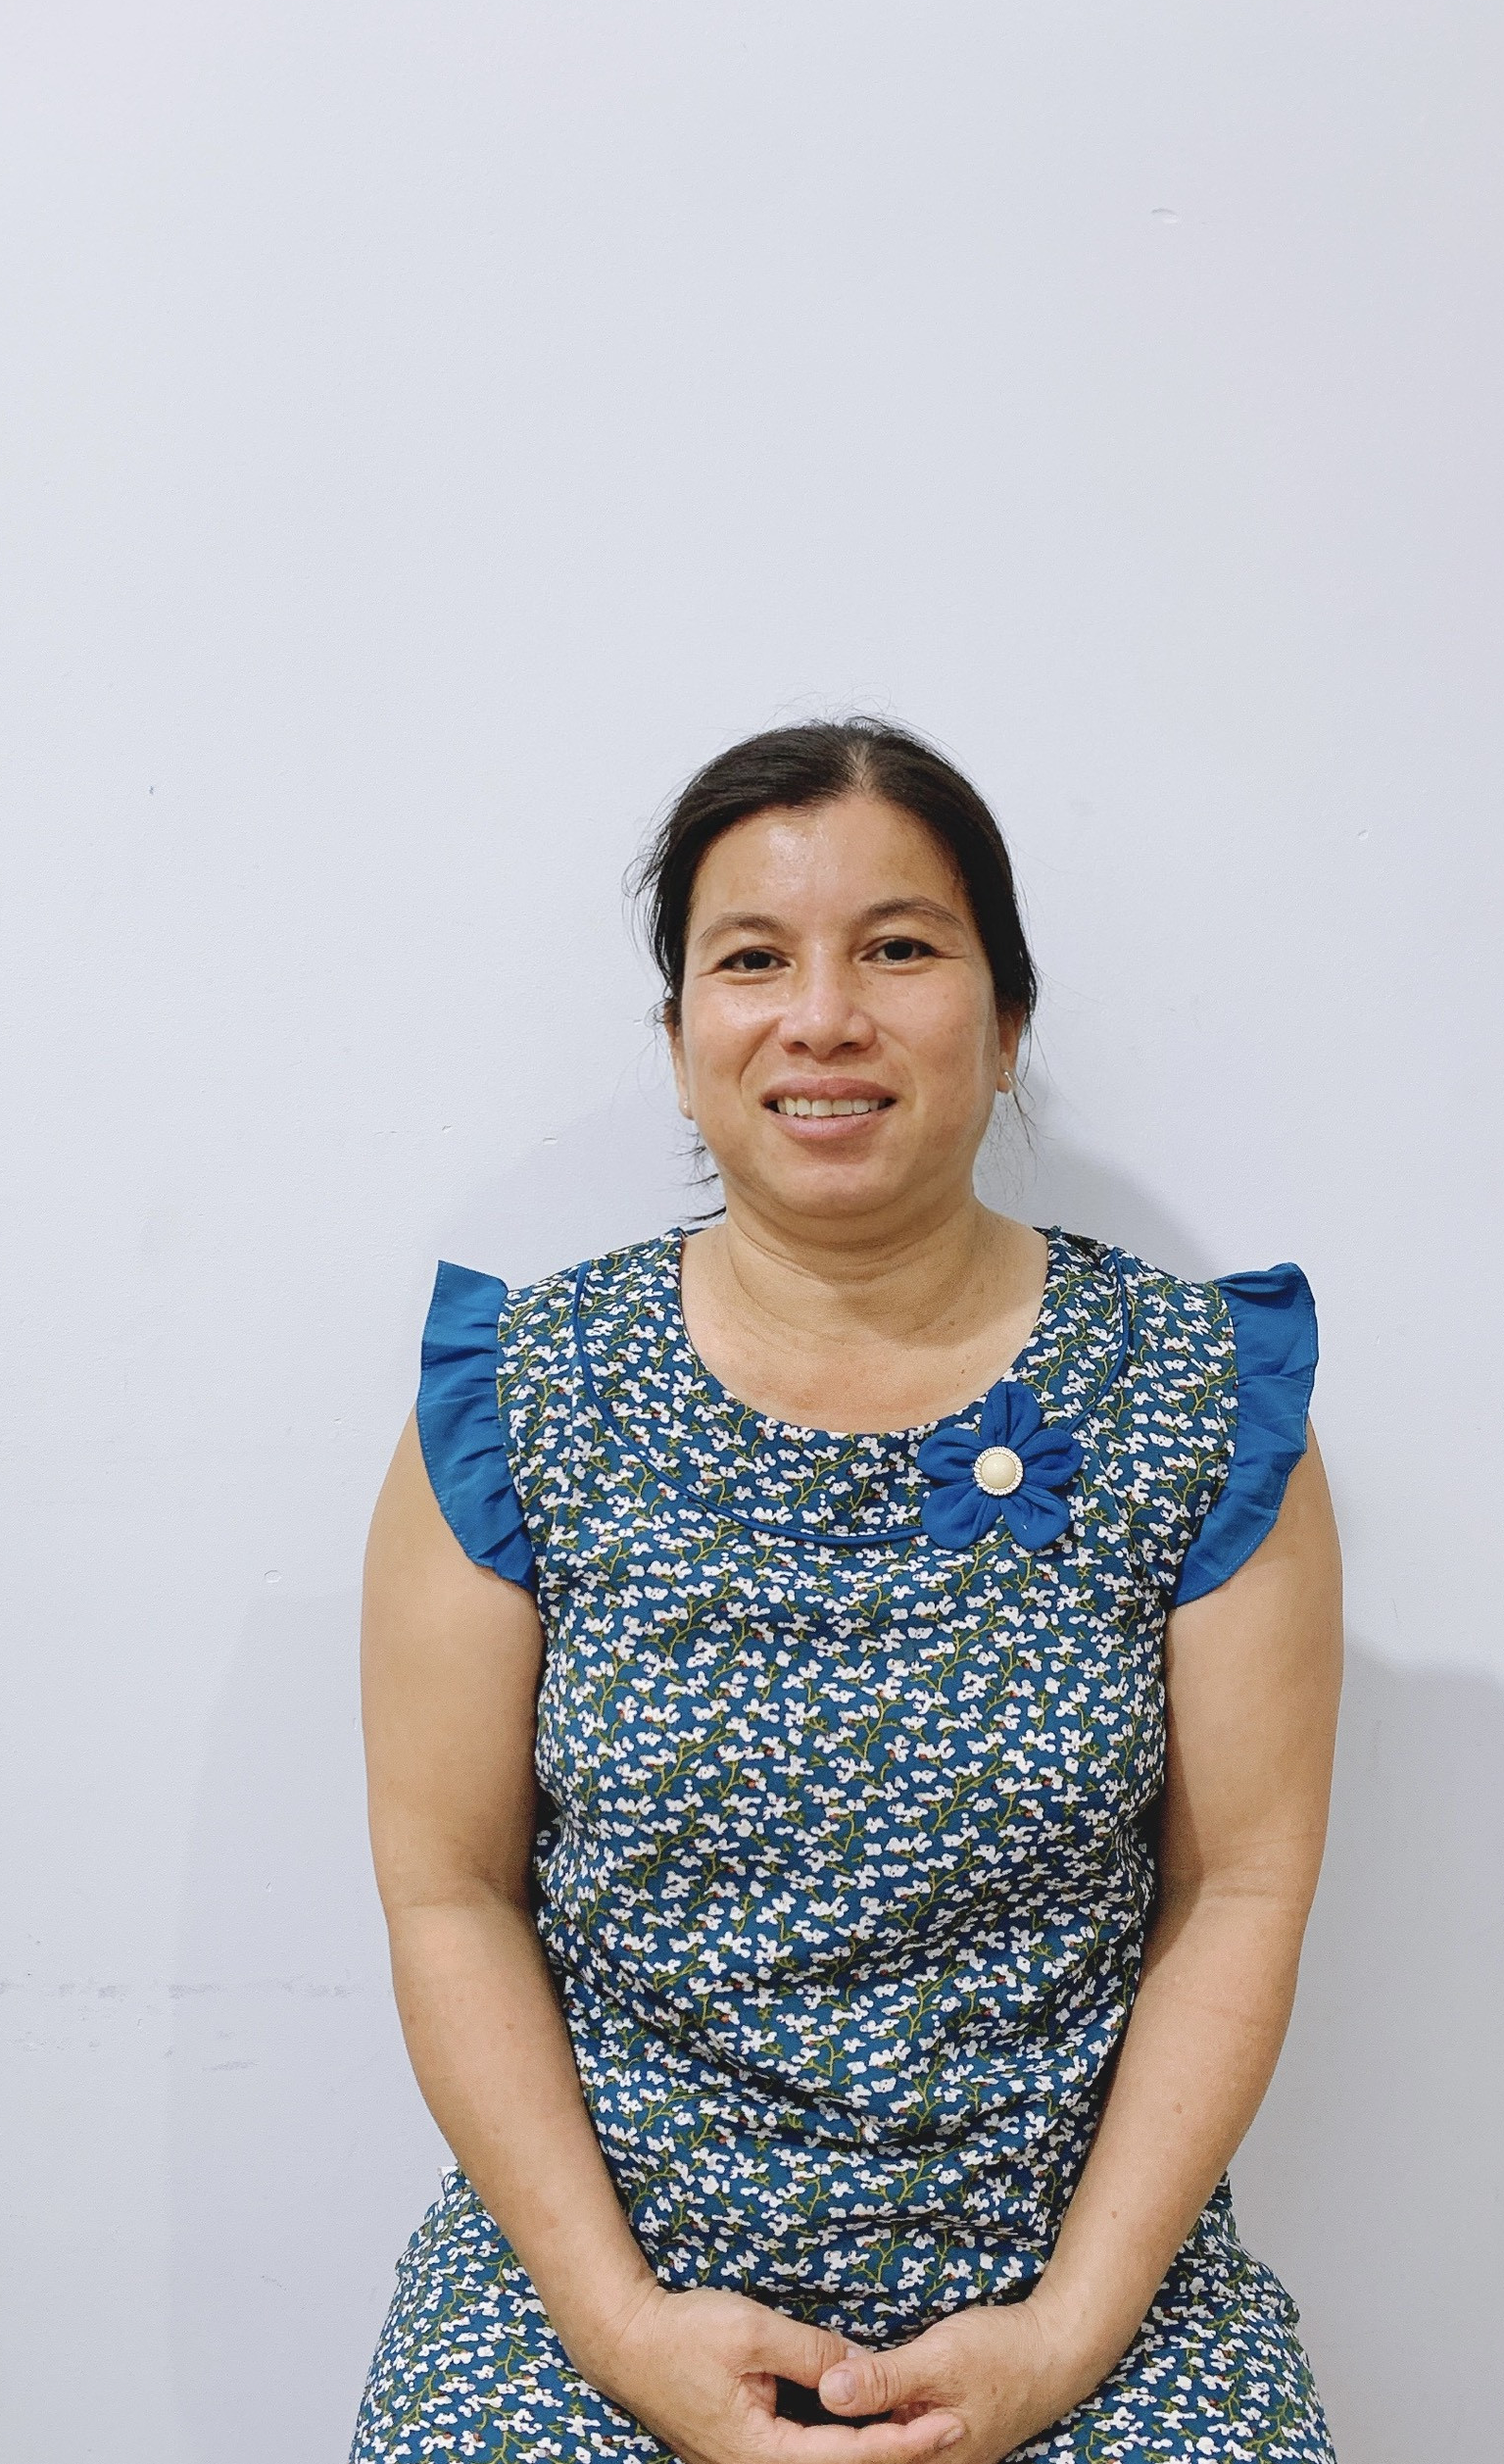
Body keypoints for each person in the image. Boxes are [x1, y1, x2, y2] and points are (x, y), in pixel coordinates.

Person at [351, 720, 1342, 2464]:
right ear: (679, 1040)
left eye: (897, 947)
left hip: (1077, 2297)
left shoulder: (1195, 1393)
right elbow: (450, 1894)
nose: (821, 1017)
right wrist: (619, 2323)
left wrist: (1063, 2335)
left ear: (1005, 1018)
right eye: (752, 959)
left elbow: (1238, 1887)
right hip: (601, 2293)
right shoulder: (519, 1397)